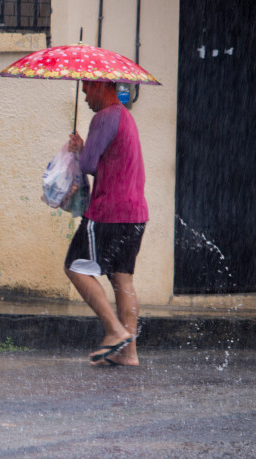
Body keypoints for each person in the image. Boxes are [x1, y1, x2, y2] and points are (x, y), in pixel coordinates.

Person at [65, 80, 148, 366]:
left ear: (100, 87)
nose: (85, 96)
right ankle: (129, 353)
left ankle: (114, 331)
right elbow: (107, 159)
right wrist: (85, 148)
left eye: (87, 89)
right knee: (121, 278)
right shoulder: (125, 116)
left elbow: (88, 165)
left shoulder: (104, 116)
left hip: (108, 211)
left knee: (75, 266)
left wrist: (80, 151)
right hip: (135, 213)